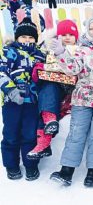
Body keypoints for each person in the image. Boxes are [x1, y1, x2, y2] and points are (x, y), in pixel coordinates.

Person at [49, 16, 93, 187]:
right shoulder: (82, 50)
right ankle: (66, 170)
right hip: (82, 97)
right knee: (76, 132)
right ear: (87, 31)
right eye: (92, 29)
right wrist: (62, 53)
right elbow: (72, 69)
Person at [0, 17, 46, 181]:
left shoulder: (40, 55)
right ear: (17, 37)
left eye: (31, 37)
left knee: (30, 134)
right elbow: (1, 72)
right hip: (12, 102)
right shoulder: (9, 52)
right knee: (11, 134)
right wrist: (11, 90)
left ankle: (31, 165)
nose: (27, 40)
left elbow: (44, 75)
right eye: (23, 37)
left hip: (32, 103)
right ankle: (11, 165)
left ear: (35, 39)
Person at [27, 19, 79, 160]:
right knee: (48, 89)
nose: (67, 37)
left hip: (73, 87)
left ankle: (46, 135)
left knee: (48, 93)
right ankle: (48, 128)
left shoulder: (80, 50)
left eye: (70, 34)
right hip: (55, 84)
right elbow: (43, 69)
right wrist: (41, 70)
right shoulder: (50, 50)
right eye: (63, 35)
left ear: (76, 37)